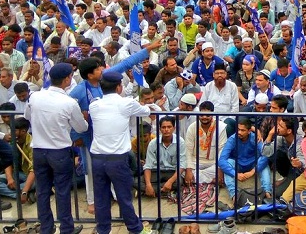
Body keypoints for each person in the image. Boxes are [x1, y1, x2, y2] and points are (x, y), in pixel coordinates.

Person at [24, 63, 87, 234]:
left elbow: (27, 116)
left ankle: (46, 227)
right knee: (62, 191)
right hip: (59, 151)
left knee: (43, 191)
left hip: (38, 150)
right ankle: (66, 228)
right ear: (67, 79)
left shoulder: (35, 96)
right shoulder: (69, 102)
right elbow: (81, 128)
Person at [89, 70, 151, 234]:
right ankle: (135, 228)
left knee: (101, 198)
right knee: (124, 196)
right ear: (118, 87)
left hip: (97, 158)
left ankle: (103, 229)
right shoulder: (126, 103)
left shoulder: (94, 105)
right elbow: (146, 112)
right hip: (117, 159)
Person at [218, 117, 272, 200]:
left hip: (253, 164)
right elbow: (222, 160)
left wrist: (253, 171)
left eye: (242, 130)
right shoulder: (232, 139)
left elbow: (265, 155)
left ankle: (268, 194)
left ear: (249, 131)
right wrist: (235, 174)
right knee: (228, 162)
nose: (239, 132)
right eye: (238, 129)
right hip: (238, 165)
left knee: (263, 163)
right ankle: (234, 196)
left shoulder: (255, 138)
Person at [140, 116, 186, 197]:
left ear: (174, 128)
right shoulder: (153, 143)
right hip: (156, 171)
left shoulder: (180, 142)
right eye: (163, 127)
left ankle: (153, 191)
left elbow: (182, 165)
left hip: (172, 172)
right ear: (160, 129)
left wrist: (170, 182)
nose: (166, 130)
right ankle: (164, 191)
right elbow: (148, 166)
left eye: (169, 127)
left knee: (179, 182)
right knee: (136, 182)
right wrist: (148, 185)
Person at [184, 101, 228, 185]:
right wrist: (189, 170)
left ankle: (198, 179)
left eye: (207, 115)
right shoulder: (192, 127)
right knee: (182, 170)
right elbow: (188, 150)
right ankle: (210, 181)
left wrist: (219, 170)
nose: (204, 117)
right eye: (201, 115)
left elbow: (222, 150)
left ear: (212, 114)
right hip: (195, 162)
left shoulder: (220, 127)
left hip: (214, 162)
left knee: (228, 166)